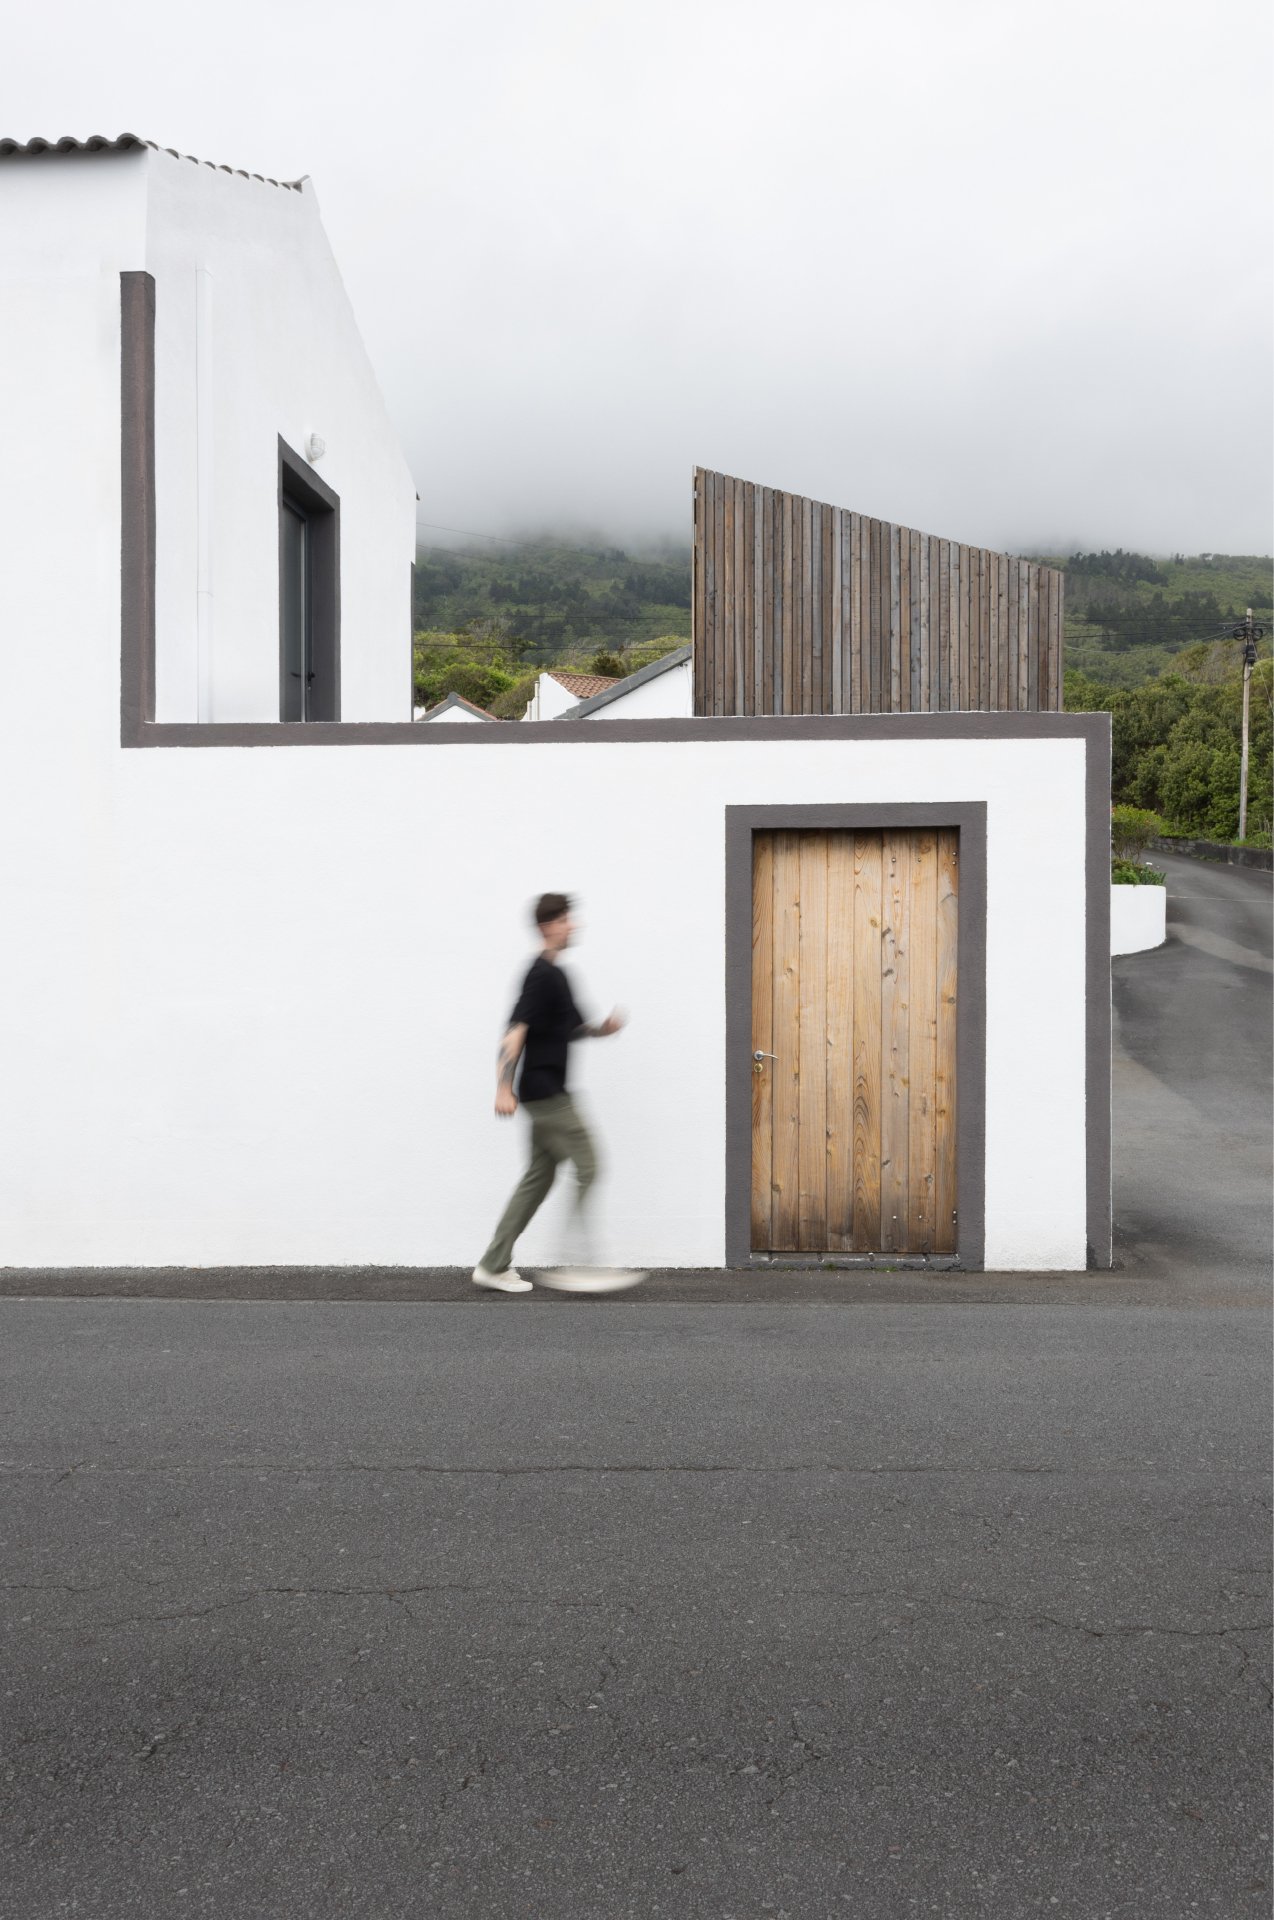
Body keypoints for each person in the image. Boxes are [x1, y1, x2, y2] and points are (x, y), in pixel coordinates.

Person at [472, 893, 640, 1295]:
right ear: (547, 926)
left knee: (538, 1178)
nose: (573, 925)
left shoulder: (559, 976)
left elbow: (574, 1029)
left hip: (546, 1091)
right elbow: (515, 1031)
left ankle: (492, 1265)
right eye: (566, 919)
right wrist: (502, 1087)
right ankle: (579, 1263)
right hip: (546, 1094)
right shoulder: (539, 975)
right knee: (590, 1165)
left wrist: (604, 1029)